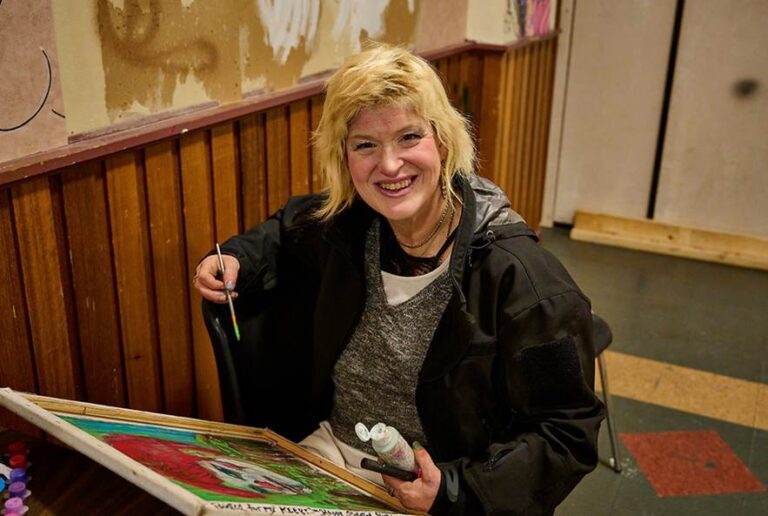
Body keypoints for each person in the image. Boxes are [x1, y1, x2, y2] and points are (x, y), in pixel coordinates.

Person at [194, 43, 604, 515]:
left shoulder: (522, 280)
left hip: (443, 487)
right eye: (365, 145)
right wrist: (237, 257)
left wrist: (451, 491)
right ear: (344, 158)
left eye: (409, 138)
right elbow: (286, 229)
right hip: (330, 455)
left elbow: (568, 432)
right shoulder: (350, 225)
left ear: (443, 141)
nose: (389, 166)